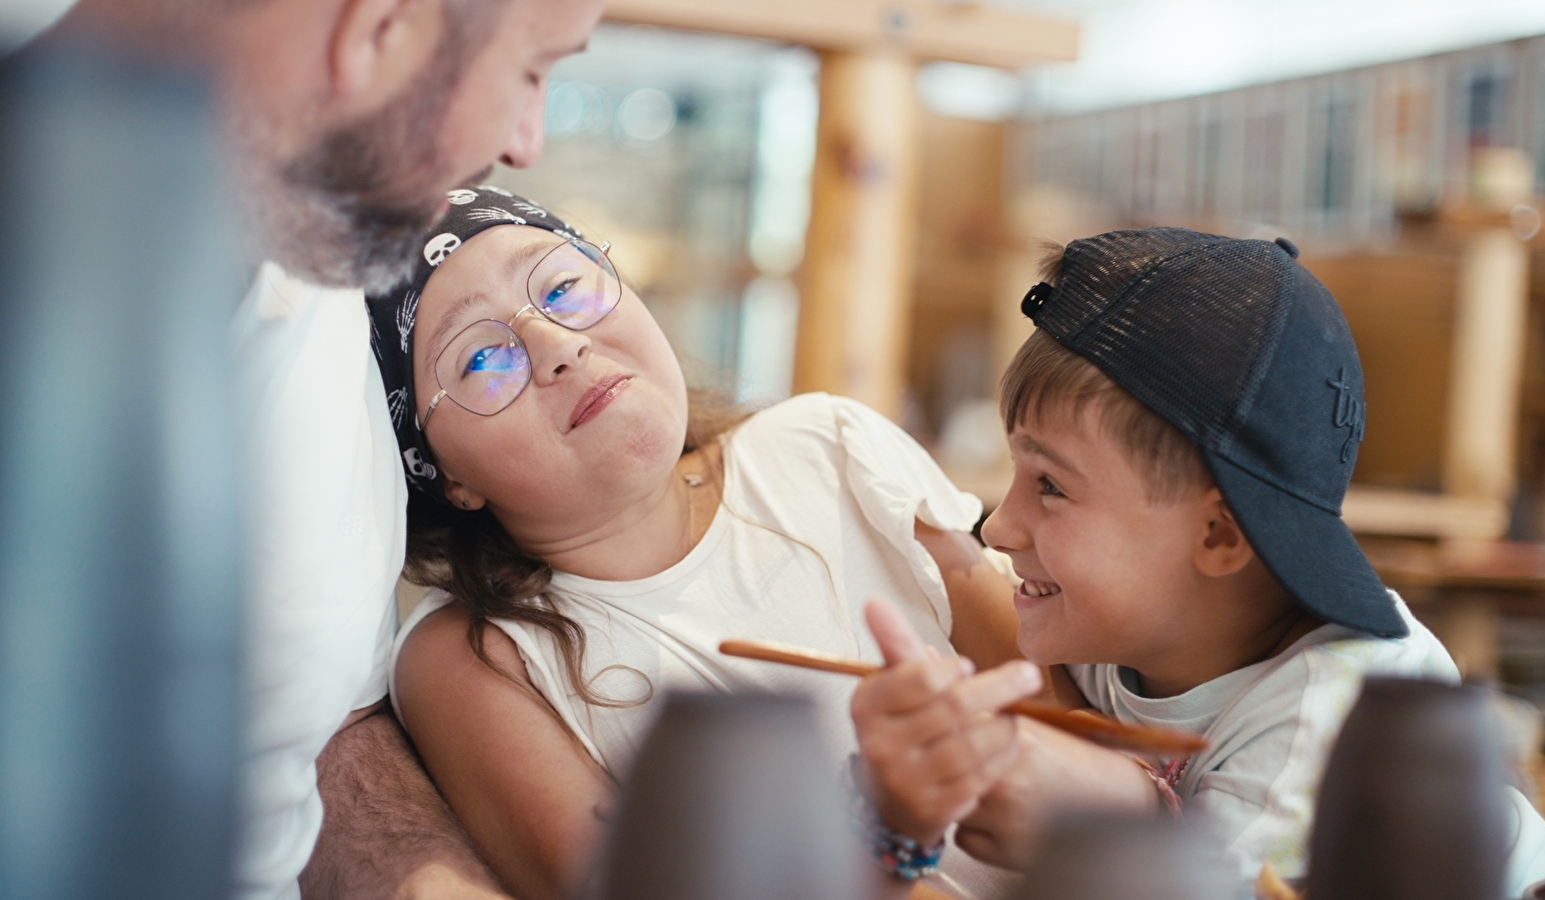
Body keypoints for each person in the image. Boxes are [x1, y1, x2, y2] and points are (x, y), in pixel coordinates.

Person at [32, 1, 606, 897]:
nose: (523, 142)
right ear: (382, 27)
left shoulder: (324, 283)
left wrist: (425, 879)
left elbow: (321, 730)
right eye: (532, 70)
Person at [848, 227, 1545, 896]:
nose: (1001, 527)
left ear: (1219, 537)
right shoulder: (1130, 625)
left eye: (1050, 485)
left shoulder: (1328, 714)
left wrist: (901, 840)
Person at [364, 188, 1035, 900]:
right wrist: (887, 830)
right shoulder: (473, 657)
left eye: (563, 287)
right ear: (444, 474)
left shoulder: (829, 448)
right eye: (481, 360)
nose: (560, 346)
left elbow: (1057, 704)